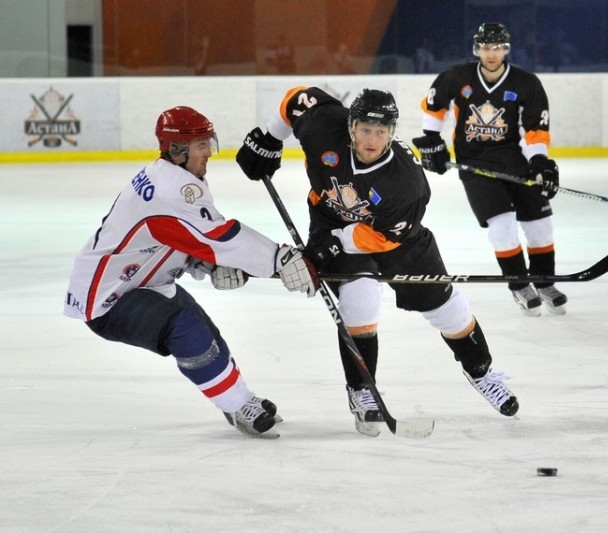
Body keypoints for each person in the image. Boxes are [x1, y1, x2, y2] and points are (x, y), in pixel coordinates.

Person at [235, 86, 519, 437]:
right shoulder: (324, 126)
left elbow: (384, 238)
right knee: (361, 298)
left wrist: (332, 246)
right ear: (351, 126)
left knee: (449, 310)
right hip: (330, 222)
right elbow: (296, 98)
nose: (372, 139)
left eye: (381, 131)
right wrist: (269, 138)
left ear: (392, 132)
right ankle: (361, 390)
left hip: (394, 237)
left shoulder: (406, 182)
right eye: (365, 129)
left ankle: (481, 372)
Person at [63, 106, 317, 439]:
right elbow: (218, 236)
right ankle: (237, 405)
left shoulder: (176, 178)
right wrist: (278, 258)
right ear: (177, 150)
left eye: (207, 142)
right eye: (200, 145)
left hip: (144, 281)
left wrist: (206, 265)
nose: (208, 151)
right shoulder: (171, 188)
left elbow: (178, 238)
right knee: (186, 330)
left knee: (205, 330)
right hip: (107, 297)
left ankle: (238, 399)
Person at [412, 22, 567, 317]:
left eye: (496, 47)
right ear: (477, 49)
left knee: (540, 225)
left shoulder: (525, 83)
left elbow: (536, 129)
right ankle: (519, 285)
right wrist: (432, 138)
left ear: (505, 49)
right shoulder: (458, 77)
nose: (491, 54)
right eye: (485, 47)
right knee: (502, 226)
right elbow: (434, 104)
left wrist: (540, 162)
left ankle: (544, 282)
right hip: (474, 164)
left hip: (515, 162)